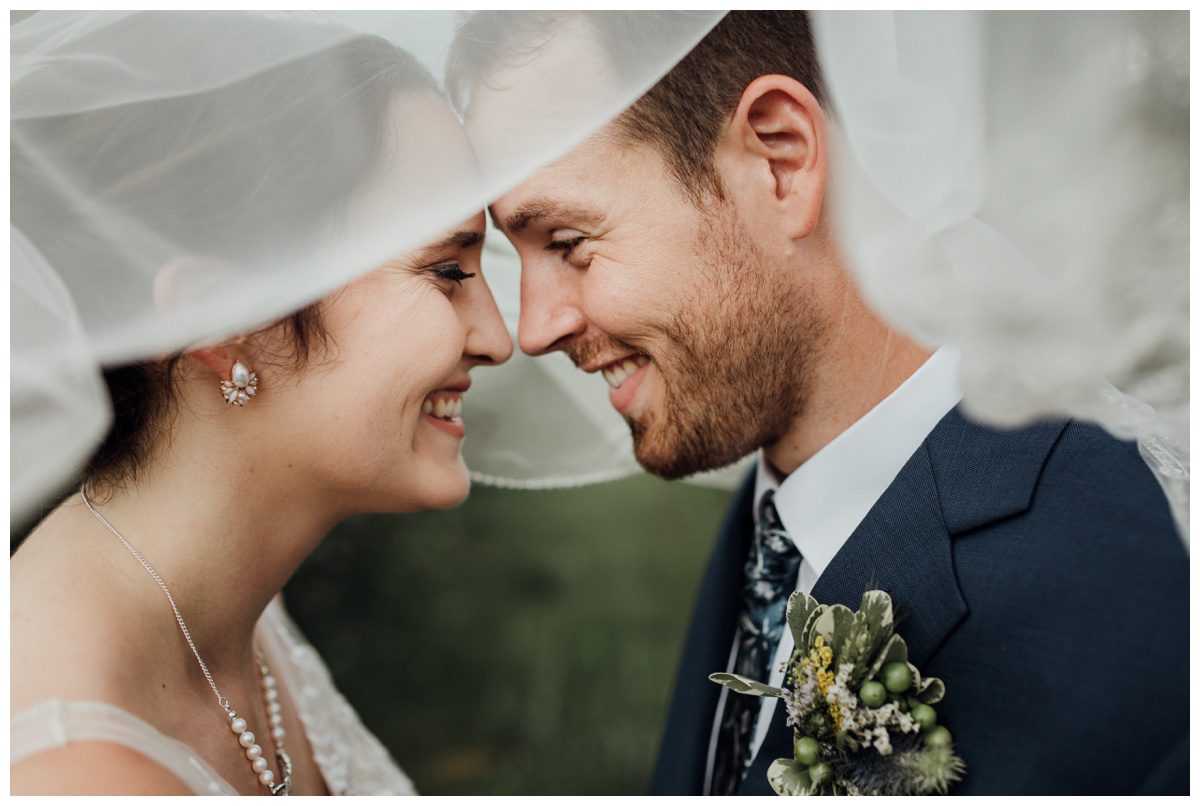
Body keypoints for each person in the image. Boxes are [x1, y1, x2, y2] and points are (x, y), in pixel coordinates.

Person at [449, 10, 1188, 795]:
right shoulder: (773, 528)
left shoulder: (1146, 606)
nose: (533, 328)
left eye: (568, 243)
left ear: (780, 160)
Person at [11, 16, 512, 795]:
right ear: (222, 317)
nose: (497, 338)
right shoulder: (71, 769)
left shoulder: (240, 620)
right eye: (447, 269)